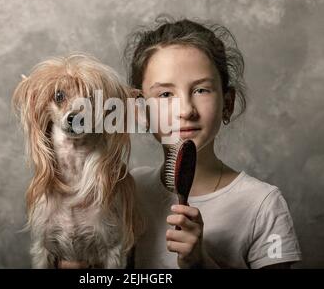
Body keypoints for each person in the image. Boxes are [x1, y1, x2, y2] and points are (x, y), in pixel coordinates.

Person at [125, 16, 302, 269]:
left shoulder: (263, 204)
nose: (185, 110)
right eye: (165, 94)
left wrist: (201, 263)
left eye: (201, 90)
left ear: (227, 104)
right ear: (140, 112)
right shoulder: (132, 191)